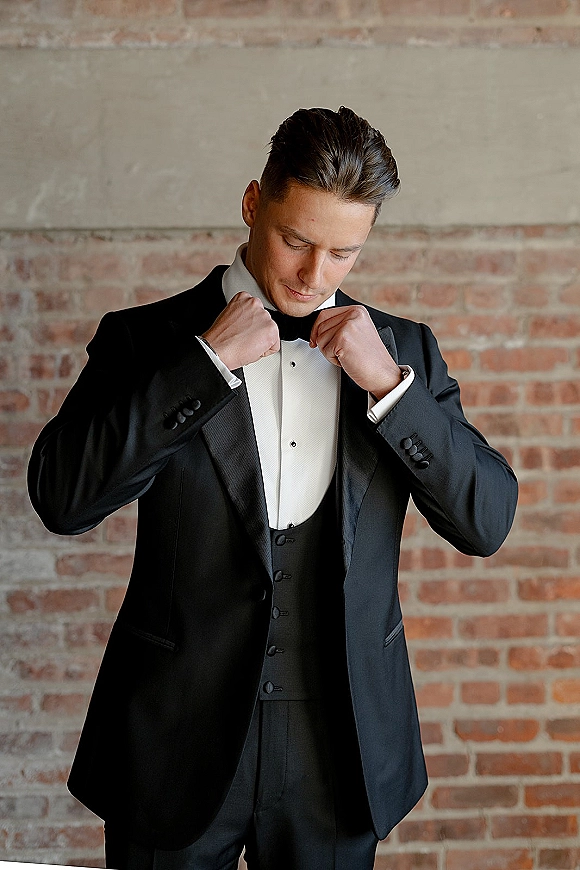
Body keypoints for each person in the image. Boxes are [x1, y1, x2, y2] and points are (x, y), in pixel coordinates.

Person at [28, 106, 518, 870]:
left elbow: (487, 521)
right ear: (254, 204)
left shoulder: (403, 354)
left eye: (343, 254)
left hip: (342, 751)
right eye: (296, 241)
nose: (313, 276)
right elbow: (62, 498)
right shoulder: (143, 341)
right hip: (174, 742)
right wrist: (202, 366)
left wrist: (390, 388)